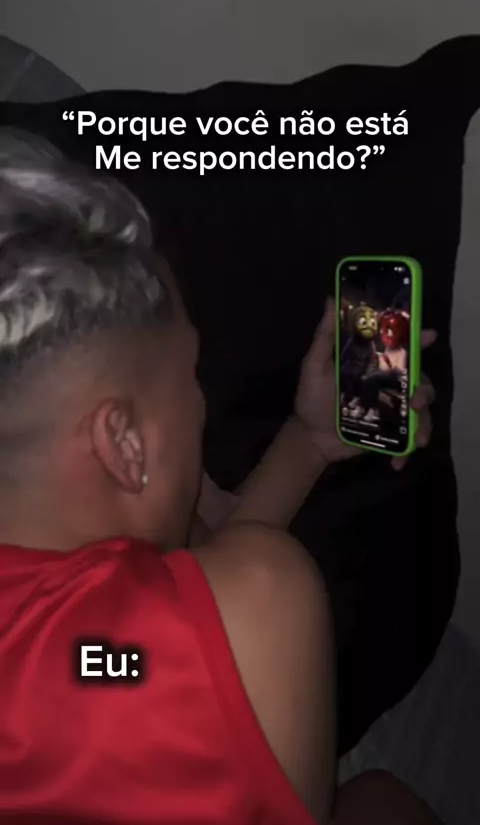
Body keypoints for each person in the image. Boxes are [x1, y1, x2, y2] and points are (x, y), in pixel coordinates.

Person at [0, 129, 442, 824]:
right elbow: (193, 629)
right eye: (191, 375)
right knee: (383, 802)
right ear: (123, 443)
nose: (201, 401)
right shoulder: (263, 595)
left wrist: (308, 443)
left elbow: (147, 644)